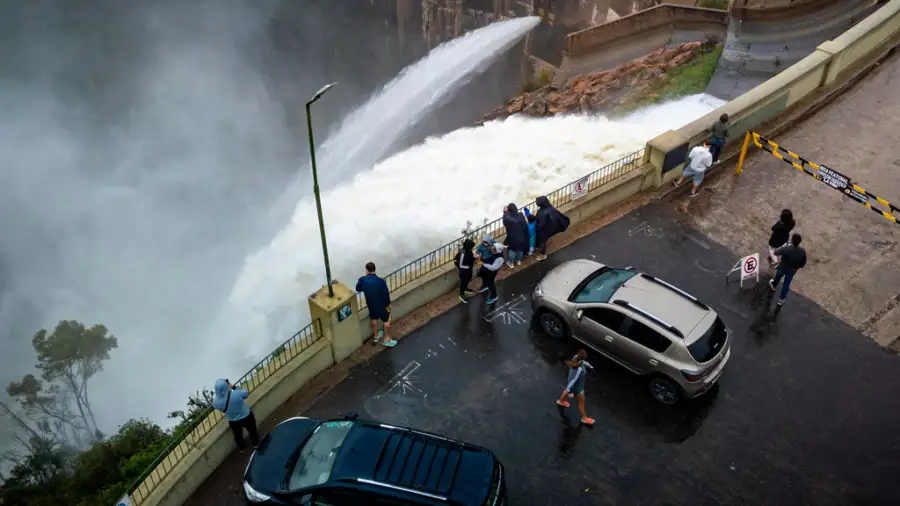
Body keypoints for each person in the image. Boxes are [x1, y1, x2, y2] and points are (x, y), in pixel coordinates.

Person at [356, 262, 397, 347]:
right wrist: (388, 305)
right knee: (387, 321)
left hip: (370, 304)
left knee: (374, 319)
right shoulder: (380, 281)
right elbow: (385, 295)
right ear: (375, 269)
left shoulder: (362, 280)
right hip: (380, 306)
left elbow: (358, 289)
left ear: (366, 270)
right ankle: (386, 339)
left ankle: (376, 335)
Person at [212, 378, 260, 451]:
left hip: (233, 421)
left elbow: (221, 400)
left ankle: (242, 448)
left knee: (238, 436)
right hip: (246, 416)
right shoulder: (236, 393)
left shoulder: (215, 403)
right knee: (252, 430)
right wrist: (234, 387)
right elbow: (245, 394)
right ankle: (256, 444)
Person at [556, 349, 595, 426]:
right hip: (578, 386)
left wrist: (589, 365)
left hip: (571, 378)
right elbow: (574, 380)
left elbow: (582, 362)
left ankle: (561, 401)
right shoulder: (579, 369)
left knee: (568, 390)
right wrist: (571, 390)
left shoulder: (575, 357)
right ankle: (584, 418)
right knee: (581, 402)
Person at [769, 233, 807, 307]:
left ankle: (774, 285)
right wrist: (798, 267)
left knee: (778, 276)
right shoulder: (802, 251)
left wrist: (784, 246)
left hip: (783, 267)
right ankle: (781, 299)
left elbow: (776, 252)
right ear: (799, 242)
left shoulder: (787, 248)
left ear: (792, 240)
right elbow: (803, 262)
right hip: (792, 270)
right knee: (786, 284)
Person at [534, 196, 570, 261]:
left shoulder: (543, 212)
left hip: (543, 231)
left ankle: (543, 255)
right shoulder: (549, 208)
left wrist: (536, 228)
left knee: (542, 242)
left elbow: (541, 224)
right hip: (548, 228)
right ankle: (538, 247)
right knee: (542, 240)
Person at [502, 203, 529, 268]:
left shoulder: (508, 218)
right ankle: (518, 261)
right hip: (521, 236)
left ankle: (511, 263)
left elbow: (505, 220)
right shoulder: (521, 215)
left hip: (513, 238)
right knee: (520, 249)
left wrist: (505, 212)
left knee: (512, 250)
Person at [453, 238, 476, 304]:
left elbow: (470, 258)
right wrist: (468, 267)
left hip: (468, 270)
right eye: (472, 247)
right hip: (464, 271)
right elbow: (460, 265)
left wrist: (474, 258)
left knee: (468, 279)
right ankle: (462, 294)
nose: (472, 248)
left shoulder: (469, 251)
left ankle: (466, 289)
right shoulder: (462, 253)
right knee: (464, 282)